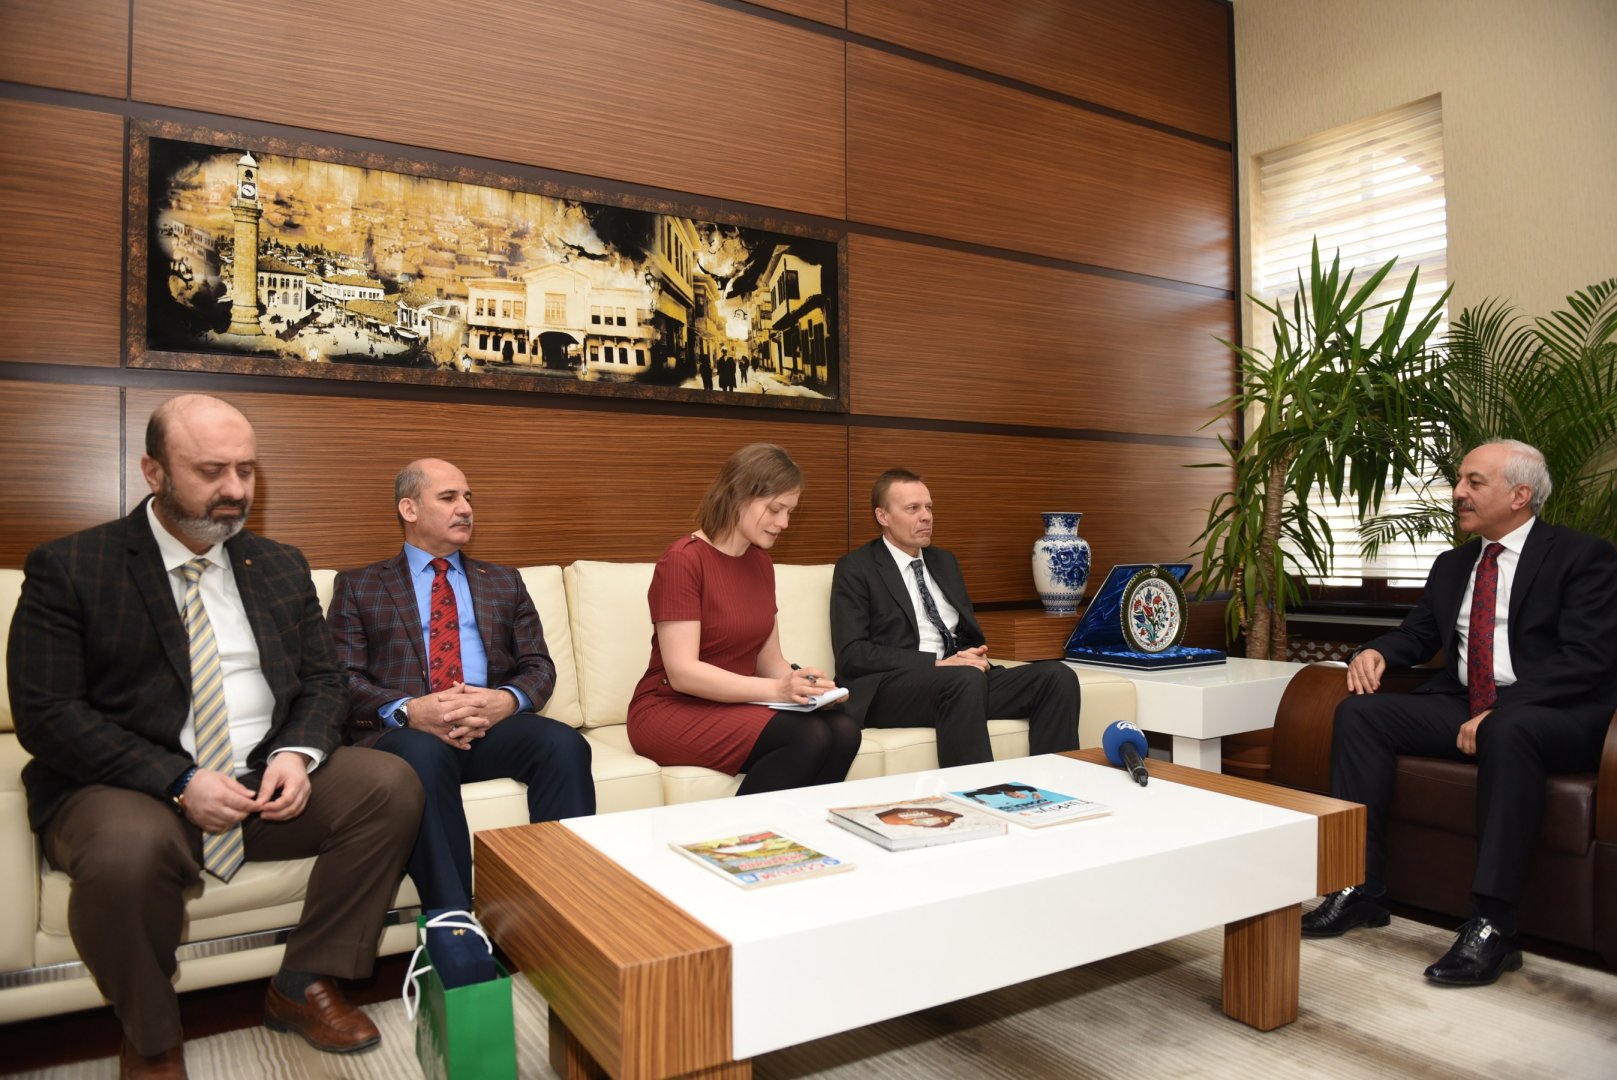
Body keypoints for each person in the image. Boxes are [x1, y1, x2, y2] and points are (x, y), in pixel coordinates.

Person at [7, 394, 424, 1079]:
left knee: (390, 784)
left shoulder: (279, 564)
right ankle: (151, 1038)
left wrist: (296, 754)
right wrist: (179, 779)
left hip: (259, 778)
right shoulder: (72, 567)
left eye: (246, 470)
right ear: (154, 471)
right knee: (127, 852)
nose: (234, 489)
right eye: (210, 471)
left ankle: (302, 981)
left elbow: (325, 682)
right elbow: (47, 713)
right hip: (130, 787)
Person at [1302, 440, 1617, 986]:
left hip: (1554, 713)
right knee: (1361, 715)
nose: (1457, 493)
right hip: (1468, 704)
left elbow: (1587, 659)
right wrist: (1375, 652)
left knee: (1509, 728)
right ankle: (1357, 888)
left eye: (1474, 482)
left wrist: (1504, 709)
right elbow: (1419, 634)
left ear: (1520, 495)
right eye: (1459, 481)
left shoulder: (1583, 556)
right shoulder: (1454, 564)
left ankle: (1495, 924)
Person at [326, 459, 595, 914]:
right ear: (409, 509)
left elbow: (538, 666)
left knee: (563, 743)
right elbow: (342, 679)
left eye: (468, 498)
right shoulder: (360, 586)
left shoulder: (504, 581)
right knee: (422, 756)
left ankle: (561, 908)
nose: (465, 508)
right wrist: (411, 710)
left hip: (488, 727)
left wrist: (505, 701)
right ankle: (453, 920)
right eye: (449, 498)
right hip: (409, 733)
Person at [628, 443, 861, 794]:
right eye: (775, 509)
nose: (784, 523)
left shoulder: (760, 563)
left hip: (735, 703)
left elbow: (770, 661)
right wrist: (777, 690)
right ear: (739, 495)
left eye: (790, 512)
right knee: (808, 736)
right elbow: (683, 673)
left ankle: (798, 826)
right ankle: (740, 830)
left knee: (844, 731)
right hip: (670, 707)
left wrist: (808, 687)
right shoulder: (682, 560)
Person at [831, 469, 1081, 767]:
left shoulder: (944, 562)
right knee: (963, 678)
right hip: (891, 689)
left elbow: (965, 633)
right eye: (913, 508)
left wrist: (972, 654)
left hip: (959, 681)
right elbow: (853, 654)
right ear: (882, 516)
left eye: (929, 507)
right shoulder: (856, 567)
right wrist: (937, 664)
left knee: (1057, 676)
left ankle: (1056, 782)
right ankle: (979, 791)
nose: (926, 516)